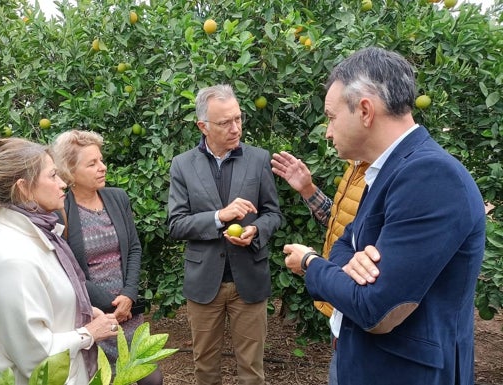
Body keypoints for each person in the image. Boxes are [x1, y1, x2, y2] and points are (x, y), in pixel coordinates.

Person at [283, 47, 486, 385]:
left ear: (365, 110)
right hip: (364, 360)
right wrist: (348, 263)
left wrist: (312, 264)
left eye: (331, 117)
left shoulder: (430, 175)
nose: (328, 132)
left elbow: (374, 308)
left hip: (401, 373)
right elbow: (347, 238)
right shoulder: (388, 170)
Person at [0, 137, 119, 385]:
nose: (62, 183)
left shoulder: (31, 232)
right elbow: (35, 356)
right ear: (24, 187)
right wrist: (88, 333)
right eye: (53, 176)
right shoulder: (13, 256)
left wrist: (82, 310)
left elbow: (46, 303)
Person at [167, 84, 282, 385]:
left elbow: (273, 213)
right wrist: (220, 217)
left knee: (252, 371)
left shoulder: (258, 159)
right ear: (202, 126)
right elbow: (176, 224)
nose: (235, 128)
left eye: (238, 119)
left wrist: (256, 230)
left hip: (249, 280)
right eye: (224, 122)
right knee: (205, 369)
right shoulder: (182, 165)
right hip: (205, 283)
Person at [52, 130, 163, 385]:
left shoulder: (117, 198)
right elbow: (68, 271)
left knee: (150, 378)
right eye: (92, 164)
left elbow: (134, 248)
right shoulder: (61, 211)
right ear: (69, 171)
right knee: (103, 378)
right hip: (93, 315)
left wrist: (129, 295)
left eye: (101, 160)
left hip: (128, 309)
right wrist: (111, 307)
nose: (102, 167)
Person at [271, 152, 369, 317]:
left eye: (333, 124)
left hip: (355, 298)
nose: (329, 134)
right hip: (339, 292)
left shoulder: (381, 173)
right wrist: (307, 189)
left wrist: (308, 261)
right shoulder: (355, 167)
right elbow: (340, 220)